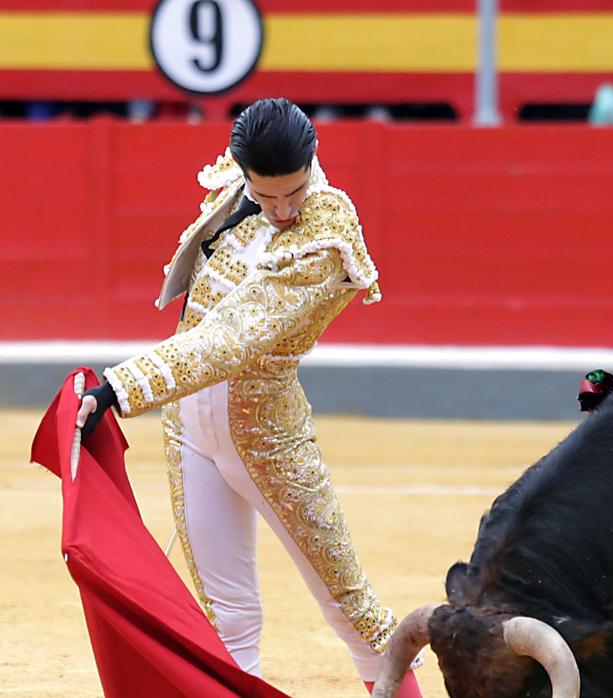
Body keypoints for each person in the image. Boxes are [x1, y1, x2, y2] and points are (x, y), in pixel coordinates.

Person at [75, 97, 422, 697]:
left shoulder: (328, 228)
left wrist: (121, 386)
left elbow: (232, 339)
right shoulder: (232, 197)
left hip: (267, 435)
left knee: (350, 607)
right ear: (245, 176)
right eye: (267, 197)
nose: (284, 210)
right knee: (226, 619)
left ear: (313, 164)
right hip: (189, 428)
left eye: (294, 192)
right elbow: (194, 311)